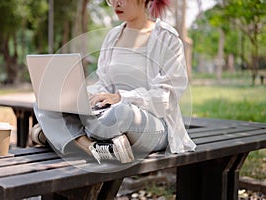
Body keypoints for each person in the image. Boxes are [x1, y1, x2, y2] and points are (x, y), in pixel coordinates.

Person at [32, 0, 196, 164]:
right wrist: (81, 95)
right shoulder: (112, 36)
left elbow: (168, 97)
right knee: (44, 103)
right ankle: (90, 147)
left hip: (152, 124)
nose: (116, 3)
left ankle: (56, 134)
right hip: (108, 115)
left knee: (121, 113)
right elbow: (104, 84)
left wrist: (121, 97)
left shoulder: (167, 37)